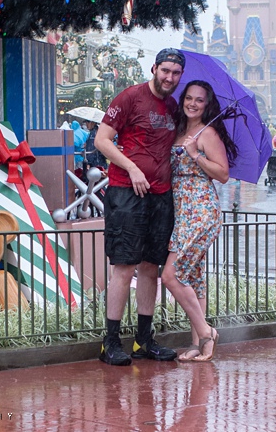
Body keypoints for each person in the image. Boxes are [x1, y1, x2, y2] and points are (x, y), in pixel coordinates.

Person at [94, 47, 185, 366]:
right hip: (126, 193)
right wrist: (132, 167)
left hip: (161, 195)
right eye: (166, 71)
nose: (170, 78)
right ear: (154, 68)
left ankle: (142, 341)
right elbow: (102, 140)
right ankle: (110, 343)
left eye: (176, 73)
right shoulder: (129, 97)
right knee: (124, 266)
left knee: (150, 268)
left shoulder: (174, 107)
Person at [161, 80, 236, 362]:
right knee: (193, 278)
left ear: (208, 104)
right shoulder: (182, 130)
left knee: (171, 275)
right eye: (189, 98)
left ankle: (206, 332)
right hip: (183, 212)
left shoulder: (208, 134)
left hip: (201, 211)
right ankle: (199, 345)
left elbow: (223, 174)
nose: (193, 103)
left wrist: (195, 155)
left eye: (199, 100)